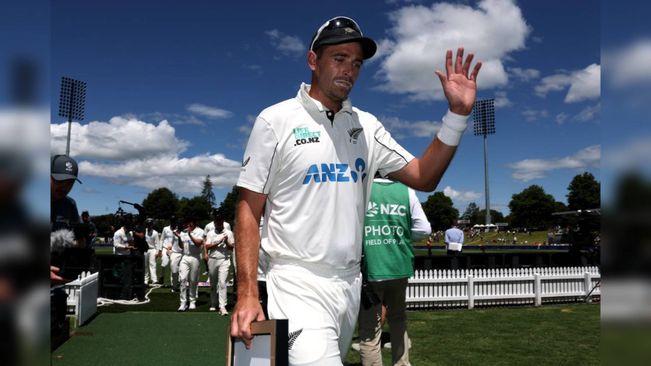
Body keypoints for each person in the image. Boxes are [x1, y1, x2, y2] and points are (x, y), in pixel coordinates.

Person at [230, 15, 481, 364]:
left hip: (350, 282)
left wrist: (456, 115)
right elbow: (247, 207)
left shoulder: (367, 126)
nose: (349, 70)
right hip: (296, 280)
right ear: (313, 61)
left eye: (357, 63)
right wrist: (245, 293)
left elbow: (424, 176)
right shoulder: (275, 120)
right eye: (339, 58)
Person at [358, 177, 430, 366]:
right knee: (398, 320)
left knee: (369, 331)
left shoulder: (360, 188)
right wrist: (401, 234)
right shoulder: (406, 191)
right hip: (400, 264)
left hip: (372, 265)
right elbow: (424, 229)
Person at [50, 154, 82, 282]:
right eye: (59, 181)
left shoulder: (70, 204)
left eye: (70, 183)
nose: (65, 187)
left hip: (58, 278)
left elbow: (76, 239)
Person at [203, 212, 235, 315]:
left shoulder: (229, 233)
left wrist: (226, 242)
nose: (218, 222)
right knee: (213, 283)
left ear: (223, 221)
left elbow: (232, 247)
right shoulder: (210, 233)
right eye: (217, 220)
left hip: (224, 259)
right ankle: (213, 303)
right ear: (215, 222)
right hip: (213, 259)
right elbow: (207, 246)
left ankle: (222, 306)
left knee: (222, 282)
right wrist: (218, 242)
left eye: (220, 220)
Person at [176, 217, 204, 311]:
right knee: (183, 279)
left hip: (195, 257)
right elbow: (181, 246)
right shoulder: (184, 232)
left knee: (193, 280)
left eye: (190, 224)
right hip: (185, 256)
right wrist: (179, 237)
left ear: (194, 224)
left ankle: (192, 301)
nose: (188, 226)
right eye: (187, 224)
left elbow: (198, 243)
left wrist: (190, 234)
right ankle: (183, 303)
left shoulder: (200, 231)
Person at [161, 216, 182, 291]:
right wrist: (168, 249)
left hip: (182, 253)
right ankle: (173, 284)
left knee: (179, 269)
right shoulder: (168, 229)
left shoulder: (184, 231)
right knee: (169, 266)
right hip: (172, 251)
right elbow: (169, 241)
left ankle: (176, 284)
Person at [144, 218, 160, 285]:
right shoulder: (144, 231)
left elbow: (157, 243)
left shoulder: (155, 233)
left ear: (152, 225)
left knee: (152, 264)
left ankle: (154, 279)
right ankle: (145, 279)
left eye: (150, 224)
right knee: (145, 265)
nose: (149, 225)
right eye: (148, 224)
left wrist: (157, 252)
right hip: (145, 250)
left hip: (152, 249)